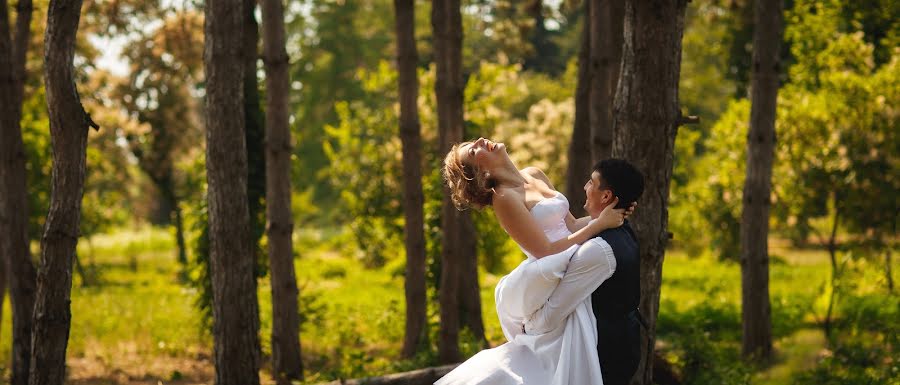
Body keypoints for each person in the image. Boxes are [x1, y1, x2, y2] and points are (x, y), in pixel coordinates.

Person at [435, 137, 637, 385]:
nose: (479, 141)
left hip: (576, 254)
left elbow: (571, 224)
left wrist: (614, 214)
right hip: (554, 269)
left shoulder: (534, 173)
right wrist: (599, 225)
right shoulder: (505, 197)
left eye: (473, 143)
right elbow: (545, 250)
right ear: (480, 171)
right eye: (473, 151)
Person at [525, 159, 645, 385]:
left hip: (603, 356)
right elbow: (575, 226)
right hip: (625, 344)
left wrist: (526, 327)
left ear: (606, 196)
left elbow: (552, 313)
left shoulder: (597, 250)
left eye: (591, 182)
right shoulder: (623, 229)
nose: (585, 187)